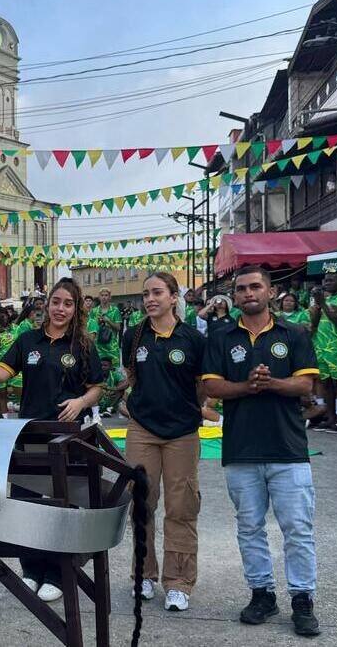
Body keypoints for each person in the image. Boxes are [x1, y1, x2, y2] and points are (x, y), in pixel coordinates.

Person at [0, 277, 104, 604]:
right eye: (56, 302)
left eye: (68, 303)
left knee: (60, 504)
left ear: (75, 308)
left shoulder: (82, 344)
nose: (60, 309)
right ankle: (31, 569)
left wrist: (81, 402)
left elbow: (97, 386)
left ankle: (56, 571)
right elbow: (2, 373)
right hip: (29, 432)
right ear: (47, 304)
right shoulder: (28, 340)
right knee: (24, 501)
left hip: (67, 436)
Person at [202, 265, 321, 637]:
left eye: (256, 287)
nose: (248, 293)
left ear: (270, 293)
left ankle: (302, 598)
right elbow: (212, 388)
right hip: (241, 450)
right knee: (249, 527)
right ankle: (262, 594)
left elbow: (305, 385)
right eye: (241, 289)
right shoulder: (221, 337)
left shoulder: (295, 333)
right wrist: (247, 387)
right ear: (234, 296)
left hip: (288, 449)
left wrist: (271, 383)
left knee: (297, 529)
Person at [122, 272, 205, 612]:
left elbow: (200, 387)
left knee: (181, 507)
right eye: (146, 294)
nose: (150, 299)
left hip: (182, 432)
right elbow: (131, 377)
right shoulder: (133, 336)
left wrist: (185, 410)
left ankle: (179, 582)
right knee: (142, 503)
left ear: (174, 298)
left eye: (157, 292)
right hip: (142, 429)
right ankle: (143, 575)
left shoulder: (193, 339)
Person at [309, 272, 337, 434]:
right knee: (326, 382)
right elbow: (314, 323)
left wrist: (322, 303)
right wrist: (317, 306)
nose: (327, 283)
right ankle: (331, 417)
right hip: (321, 345)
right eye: (325, 280)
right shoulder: (326, 299)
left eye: (331, 280)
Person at [89, 288, 122, 368]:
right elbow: (90, 329)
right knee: (98, 370)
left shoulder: (115, 310)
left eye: (106, 295)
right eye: (102, 295)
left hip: (112, 347)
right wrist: (98, 323)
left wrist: (108, 321)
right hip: (98, 347)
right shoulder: (94, 311)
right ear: (99, 297)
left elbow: (118, 328)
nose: (104, 297)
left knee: (114, 371)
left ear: (109, 297)